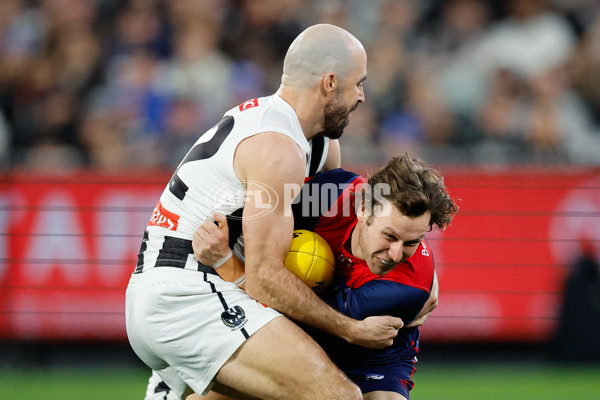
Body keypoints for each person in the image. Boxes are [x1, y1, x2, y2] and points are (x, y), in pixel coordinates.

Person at [126, 23, 406, 400]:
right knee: (338, 396)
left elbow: (353, 230)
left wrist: (417, 274)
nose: (362, 95)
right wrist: (349, 329)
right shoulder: (278, 149)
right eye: (358, 83)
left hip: (192, 287)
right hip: (187, 292)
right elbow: (265, 278)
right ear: (329, 83)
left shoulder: (312, 143)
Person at [188, 155, 457, 400]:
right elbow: (260, 206)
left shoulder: (405, 289)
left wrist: (225, 263)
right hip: (308, 334)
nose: (396, 254)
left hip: (374, 361)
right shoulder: (334, 194)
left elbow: (295, 306)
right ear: (362, 209)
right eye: (390, 236)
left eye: (412, 242)